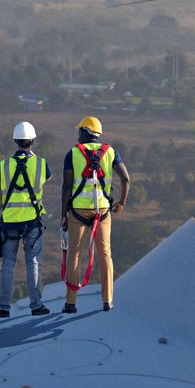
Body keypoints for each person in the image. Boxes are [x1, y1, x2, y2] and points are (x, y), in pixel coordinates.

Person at [61, 115, 129, 313]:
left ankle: (71, 303)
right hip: (103, 211)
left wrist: (63, 214)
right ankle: (108, 301)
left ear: (85, 132)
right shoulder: (110, 153)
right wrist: (121, 203)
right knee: (105, 254)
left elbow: (66, 186)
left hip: (78, 211)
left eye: (79, 131)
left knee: (74, 255)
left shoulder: (72, 154)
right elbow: (125, 179)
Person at [0, 121, 51, 318]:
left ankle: (4, 308)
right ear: (32, 141)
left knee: (8, 264)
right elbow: (46, 178)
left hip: (9, 223)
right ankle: (36, 306)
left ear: (15, 141)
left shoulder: (4, 165)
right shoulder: (41, 164)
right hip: (32, 222)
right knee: (33, 262)